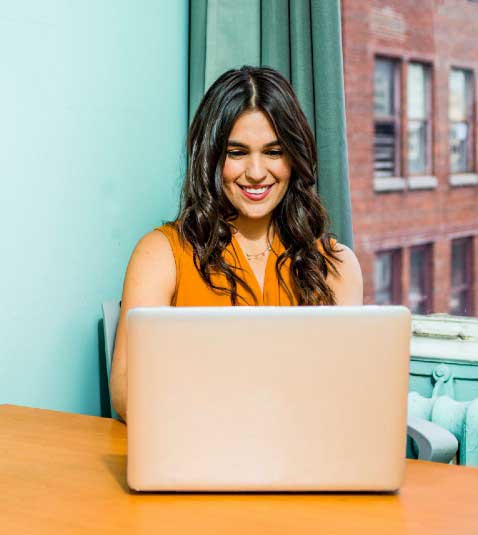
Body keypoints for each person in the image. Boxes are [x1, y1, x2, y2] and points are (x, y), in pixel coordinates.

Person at [109, 66, 363, 422]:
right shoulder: (160, 254)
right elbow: (126, 394)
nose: (257, 172)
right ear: (213, 157)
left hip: (303, 461)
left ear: (294, 157)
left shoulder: (337, 264)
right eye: (237, 152)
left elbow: (346, 396)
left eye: (274, 152)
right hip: (195, 453)